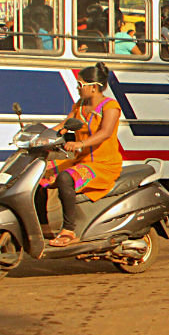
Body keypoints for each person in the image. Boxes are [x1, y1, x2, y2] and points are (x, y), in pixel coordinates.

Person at [36, 63, 123, 247]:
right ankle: (44, 225)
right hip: (81, 160)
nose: (77, 88)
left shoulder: (110, 107)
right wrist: (40, 138)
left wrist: (79, 143)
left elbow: (105, 133)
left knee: (66, 178)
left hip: (103, 165)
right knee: (41, 174)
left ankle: (69, 230)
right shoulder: (80, 105)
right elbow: (65, 124)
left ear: (94, 87)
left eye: (80, 85)